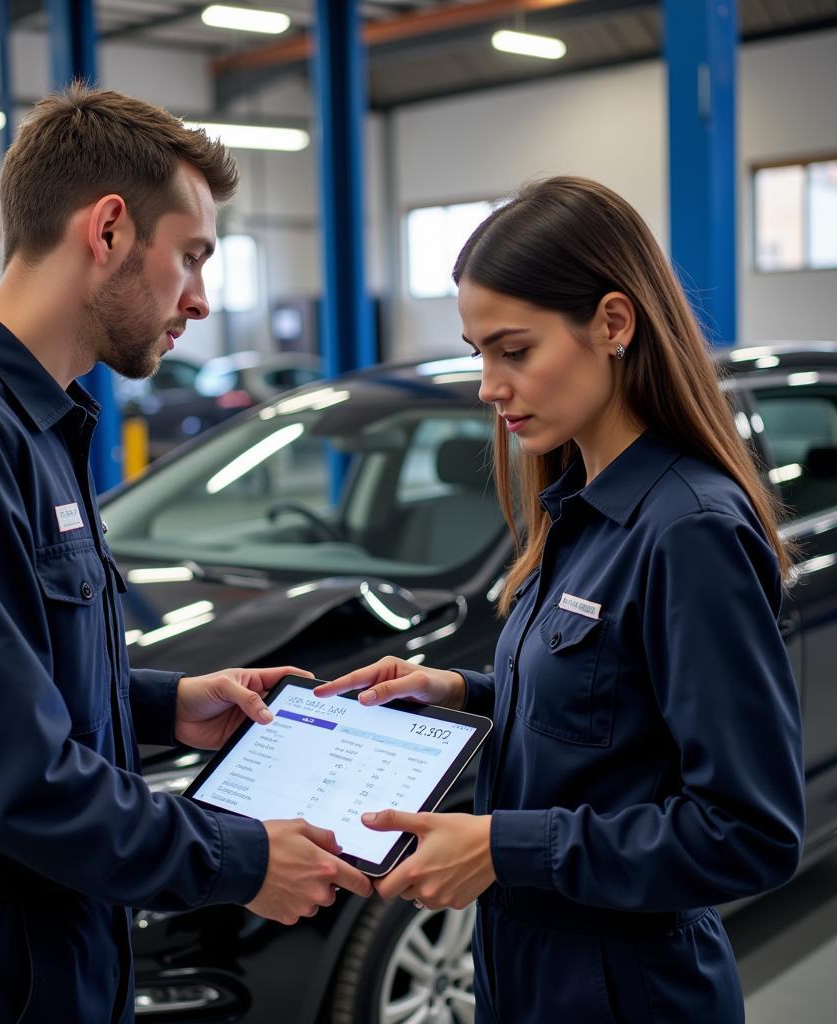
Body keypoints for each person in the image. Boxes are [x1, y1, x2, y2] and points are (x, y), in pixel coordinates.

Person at [0, 84, 370, 1023]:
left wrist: (159, 703)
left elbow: (16, 676)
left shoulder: (35, 423)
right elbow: (8, 776)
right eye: (191, 257)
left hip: (58, 927)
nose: (200, 299)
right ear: (109, 229)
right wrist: (240, 860)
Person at [315, 176, 805, 1022]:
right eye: (478, 354)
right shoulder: (581, 506)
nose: (488, 387)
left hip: (627, 987)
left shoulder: (687, 530)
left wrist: (506, 847)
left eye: (515, 351)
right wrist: (459, 692)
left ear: (614, 324)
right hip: (529, 969)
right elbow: (613, 708)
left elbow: (748, 834)